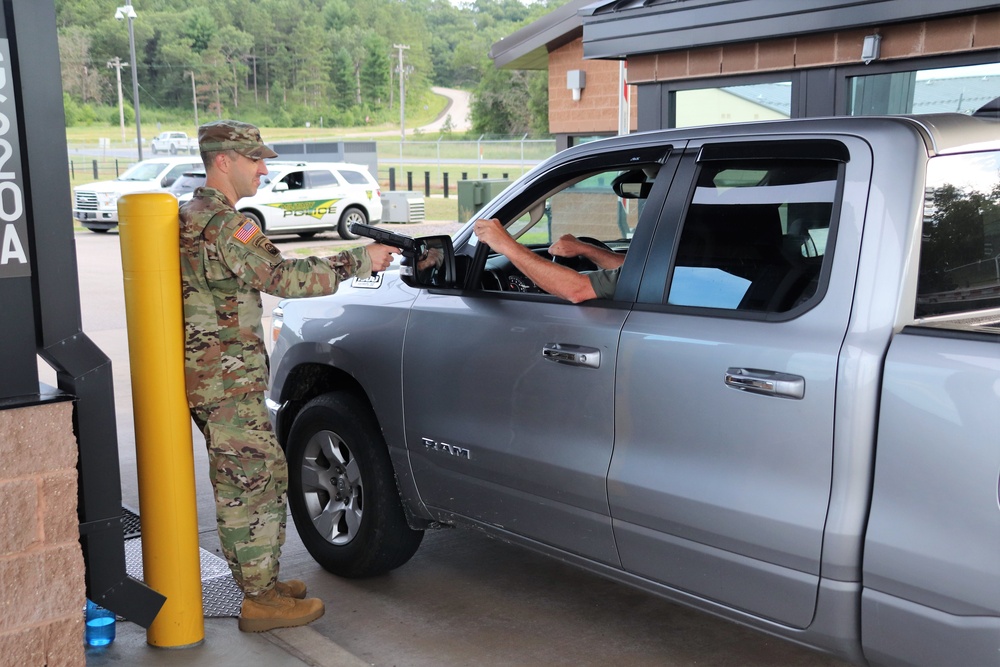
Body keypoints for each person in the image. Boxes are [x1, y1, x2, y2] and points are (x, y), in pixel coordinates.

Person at [179, 120, 398, 633]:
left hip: (220, 378)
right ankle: (258, 601)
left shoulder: (200, 215)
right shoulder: (225, 225)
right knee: (249, 484)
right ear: (223, 162)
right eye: (254, 159)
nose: (264, 168)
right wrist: (359, 260)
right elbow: (282, 277)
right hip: (223, 383)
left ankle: (265, 584)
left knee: (264, 474)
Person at [473, 218, 624, 302]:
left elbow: (578, 289)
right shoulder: (647, 266)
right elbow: (632, 268)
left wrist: (506, 245)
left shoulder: (649, 273)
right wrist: (584, 248)